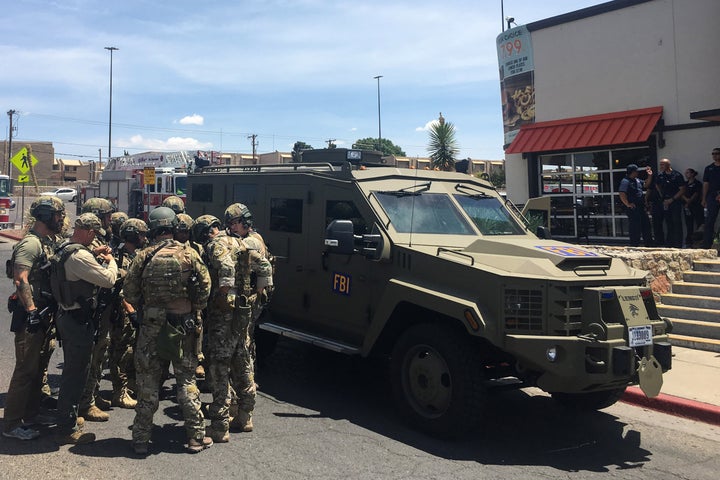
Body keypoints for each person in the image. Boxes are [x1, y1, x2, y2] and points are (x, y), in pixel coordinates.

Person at [123, 207, 212, 455]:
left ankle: (140, 440)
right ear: (173, 227)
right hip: (183, 327)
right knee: (187, 381)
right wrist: (192, 305)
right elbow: (205, 289)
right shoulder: (189, 253)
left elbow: (129, 292)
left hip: (151, 327)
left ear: (152, 228)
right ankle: (195, 437)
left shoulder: (143, 256)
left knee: (148, 384)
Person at [193, 212, 272, 441]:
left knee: (219, 367)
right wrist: (255, 294)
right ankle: (245, 417)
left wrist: (225, 294)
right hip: (243, 312)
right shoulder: (240, 242)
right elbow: (265, 267)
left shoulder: (216, 244)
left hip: (223, 316)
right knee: (243, 361)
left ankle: (219, 427)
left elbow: (226, 267)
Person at [2, 196, 65, 441]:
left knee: (38, 367)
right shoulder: (30, 244)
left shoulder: (46, 241)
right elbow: (21, 279)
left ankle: (31, 414)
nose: (61, 220)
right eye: (58, 215)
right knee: (25, 370)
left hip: (44, 313)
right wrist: (31, 311)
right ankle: (11, 424)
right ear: (47, 217)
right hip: (31, 316)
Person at [53, 213, 118, 445]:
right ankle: (67, 428)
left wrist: (94, 254)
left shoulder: (65, 248)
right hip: (77, 320)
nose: (95, 241)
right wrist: (111, 261)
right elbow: (108, 280)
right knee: (75, 373)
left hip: (66, 315)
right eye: (94, 237)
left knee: (73, 370)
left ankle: (68, 417)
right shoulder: (79, 256)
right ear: (90, 232)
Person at [77, 197, 117, 422]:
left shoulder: (100, 239)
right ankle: (86, 401)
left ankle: (92, 393)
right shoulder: (89, 244)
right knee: (92, 355)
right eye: (106, 216)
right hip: (90, 307)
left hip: (101, 305)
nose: (110, 219)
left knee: (101, 352)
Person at [108, 218, 149, 408]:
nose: (144, 237)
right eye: (141, 234)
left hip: (138, 311)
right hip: (124, 314)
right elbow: (121, 289)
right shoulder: (120, 258)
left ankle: (132, 385)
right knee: (122, 353)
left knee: (135, 351)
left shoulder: (138, 255)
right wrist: (131, 312)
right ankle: (120, 391)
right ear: (132, 234)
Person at [618, 164, 653, 247]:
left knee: (646, 225)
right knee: (635, 227)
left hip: (641, 207)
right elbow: (622, 193)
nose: (638, 173)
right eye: (636, 171)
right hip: (633, 208)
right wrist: (627, 204)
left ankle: (648, 244)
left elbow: (646, 185)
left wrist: (650, 176)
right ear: (633, 172)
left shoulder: (637, 180)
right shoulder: (625, 181)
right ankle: (634, 245)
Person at [654, 158, 686, 247]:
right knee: (668, 223)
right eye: (660, 164)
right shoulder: (661, 176)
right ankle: (669, 243)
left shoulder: (677, 175)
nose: (661, 166)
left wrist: (672, 199)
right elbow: (657, 185)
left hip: (675, 202)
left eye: (663, 164)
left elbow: (682, 189)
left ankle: (678, 244)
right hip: (665, 202)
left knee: (676, 222)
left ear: (668, 165)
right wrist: (662, 196)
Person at [702, 147, 720, 248]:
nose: (714, 155)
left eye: (716, 153)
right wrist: (704, 198)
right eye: (713, 154)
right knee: (709, 221)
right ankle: (707, 245)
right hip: (712, 197)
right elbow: (706, 184)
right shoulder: (709, 168)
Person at [682, 168, 703, 247]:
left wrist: (689, 201)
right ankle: (689, 242)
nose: (686, 174)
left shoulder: (697, 183)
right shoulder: (685, 184)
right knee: (689, 225)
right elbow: (682, 192)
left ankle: (699, 241)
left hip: (696, 206)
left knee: (699, 223)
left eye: (688, 173)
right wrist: (686, 200)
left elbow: (696, 194)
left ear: (692, 174)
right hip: (687, 207)